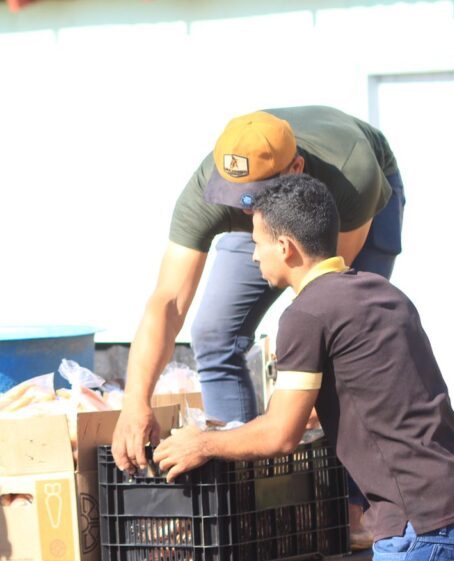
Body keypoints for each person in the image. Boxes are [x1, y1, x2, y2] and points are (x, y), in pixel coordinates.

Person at [149, 174, 454, 561]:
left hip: (420, 527)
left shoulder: (307, 313)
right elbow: (372, 396)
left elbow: (281, 435)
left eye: (257, 243)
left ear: (286, 247)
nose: (254, 256)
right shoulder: (384, 294)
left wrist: (201, 443)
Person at [112, 105, 404, 466]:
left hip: (351, 202)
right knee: (214, 334)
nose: (244, 209)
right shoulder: (213, 186)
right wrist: (135, 401)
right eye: (234, 196)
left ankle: (352, 485)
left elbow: (327, 296)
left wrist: (298, 393)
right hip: (275, 212)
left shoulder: (351, 172)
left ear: (295, 169)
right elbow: (169, 300)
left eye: (252, 198)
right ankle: (240, 475)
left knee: (350, 345)